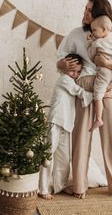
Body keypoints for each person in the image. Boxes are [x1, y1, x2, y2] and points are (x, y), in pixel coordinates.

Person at [57, 0, 112, 200]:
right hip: (85, 91)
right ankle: (79, 184)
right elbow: (60, 59)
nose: (84, 12)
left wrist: (111, 65)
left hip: (108, 89)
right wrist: (63, 65)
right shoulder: (75, 34)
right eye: (85, 8)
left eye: (89, 10)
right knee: (81, 139)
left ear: (100, 15)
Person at [38, 53, 92, 200]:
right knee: (48, 154)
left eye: (78, 72)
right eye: (72, 71)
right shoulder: (64, 79)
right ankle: (43, 189)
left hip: (67, 124)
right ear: (65, 68)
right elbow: (79, 92)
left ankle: (60, 185)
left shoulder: (71, 79)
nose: (75, 74)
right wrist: (100, 94)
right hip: (56, 121)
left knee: (64, 157)